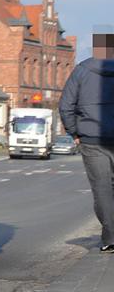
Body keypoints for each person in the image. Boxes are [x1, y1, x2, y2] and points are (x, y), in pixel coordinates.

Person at [58, 29, 114, 252]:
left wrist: (74, 133)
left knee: (102, 189)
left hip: (92, 139)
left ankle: (110, 238)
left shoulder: (82, 70)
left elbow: (65, 105)